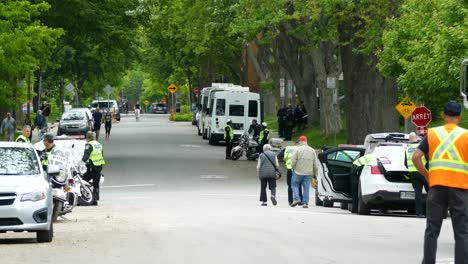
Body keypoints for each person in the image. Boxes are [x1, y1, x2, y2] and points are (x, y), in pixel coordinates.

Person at [412, 100, 468, 264]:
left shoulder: (432, 134)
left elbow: (415, 157)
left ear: (443, 115)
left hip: (437, 188)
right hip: (460, 188)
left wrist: (427, 175)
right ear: (460, 116)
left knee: (432, 230)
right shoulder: (466, 136)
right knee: (462, 232)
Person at [290, 136, 320, 208]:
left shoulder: (297, 149)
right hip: (308, 173)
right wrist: (315, 173)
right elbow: (316, 163)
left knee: (294, 185)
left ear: (300, 141)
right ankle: (305, 203)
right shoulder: (312, 150)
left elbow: (293, 160)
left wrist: (293, 168)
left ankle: (296, 199)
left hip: (298, 171)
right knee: (306, 187)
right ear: (306, 141)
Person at [405, 132, 429, 217]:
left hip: (413, 174)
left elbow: (405, 163)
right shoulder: (421, 147)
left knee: (418, 194)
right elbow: (427, 159)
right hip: (422, 171)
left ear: (409, 140)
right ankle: (428, 213)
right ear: (417, 138)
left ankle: (419, 213)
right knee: (429, 193)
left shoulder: (407, 149)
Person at [81, 131, 106, 206]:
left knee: (83, 181)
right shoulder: (99, 144)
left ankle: (85, 197)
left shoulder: (89, 145)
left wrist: (80, 163)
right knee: (96, 182)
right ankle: (95, 199)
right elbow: (101, 154)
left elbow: (86, 155)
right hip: (99, 165)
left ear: (88, 137)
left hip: (92, 166)